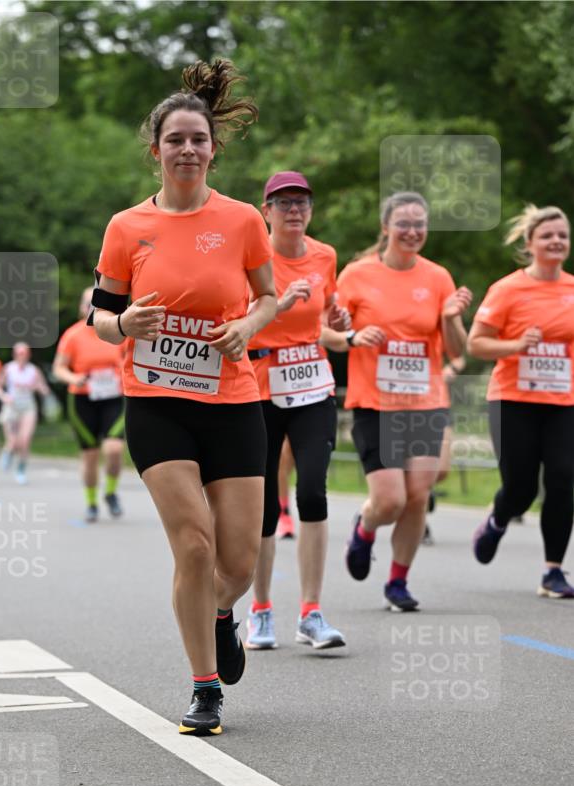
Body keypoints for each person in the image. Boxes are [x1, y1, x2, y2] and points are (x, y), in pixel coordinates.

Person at [90, 59, 276, 735]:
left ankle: (221, 612)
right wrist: (124, 325)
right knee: (192, 548)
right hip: (156, 401)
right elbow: (99, 316)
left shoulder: (241, 221)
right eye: (176, 140)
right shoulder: (125, 227)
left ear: (212, 148)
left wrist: (247, 327)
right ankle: (204, 688)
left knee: (239, 564)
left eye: (198, 139)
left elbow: (267, 298)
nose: (188, 149)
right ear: (156, 149)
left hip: (233, 401)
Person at [325, 191, 471, 610]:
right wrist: (350, 335)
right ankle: (366, 528)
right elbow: (330, 333)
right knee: (389, 500)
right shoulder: (356, 275)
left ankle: (397, 582)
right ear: (386, 227)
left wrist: (449, 319)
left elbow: (458, 350)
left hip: (426, 402)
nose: (412, 231)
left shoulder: (438, 277)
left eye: (419, 224)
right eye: (403, 223)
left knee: (418, 494)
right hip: (375, 402)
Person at [245, 171, 348, 650]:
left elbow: (325, 323)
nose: (294, 210)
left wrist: (339, 325)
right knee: (265, 503)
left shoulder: (325, 255)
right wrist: (279, 305)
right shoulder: (251, 255)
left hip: (312, 385)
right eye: (283, 203)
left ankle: (311, 611)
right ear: (266, 210)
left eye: (302, 202)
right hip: (262, 386)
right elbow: (236, 318)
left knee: (312, 489)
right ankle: (261, 608)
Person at [469, 204, 574, 598]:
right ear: (530, 243)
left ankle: (553, 571)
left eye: (562, 234)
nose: (557, 241)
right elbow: (476, 343)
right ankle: (497, 520)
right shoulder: (508, 289)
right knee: (520, 488)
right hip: (513, 399)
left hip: (564, 401)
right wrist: (516, 344)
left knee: (563, 479)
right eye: (547, 235)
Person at [53, 287, 127, 522]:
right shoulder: (72, 335)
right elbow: (59, 368)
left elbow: (130, 360)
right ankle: (92, 502)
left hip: (114, 397)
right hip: (83, 399)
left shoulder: (117, 332)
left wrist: (123, 375)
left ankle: (111, 492)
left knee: (114, 450)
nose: (91, 308)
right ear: (81, 309)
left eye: (96, 304)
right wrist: (74, 378)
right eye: (87, 304)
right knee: (90, 456)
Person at [422, 354, 467, 544]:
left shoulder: (440, 325)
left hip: (438, 403)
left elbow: (460, 355)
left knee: (441, 470)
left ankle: (423, 492)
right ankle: (421, 526)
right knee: (419, 472)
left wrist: (451, 369)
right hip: (405, 401)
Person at [0, 342, 50, 484]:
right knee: (13, 441)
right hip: (11, 407)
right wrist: (5, 396)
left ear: (28, 355)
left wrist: (38, 387)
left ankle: (21, 470)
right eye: (19, 353)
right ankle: (8, 451)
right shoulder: (8, 369)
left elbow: (44, 389)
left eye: (24, 353)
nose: (21, 356)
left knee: (25, 441)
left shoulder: (34, 371)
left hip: (28, 407)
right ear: (14, 354)